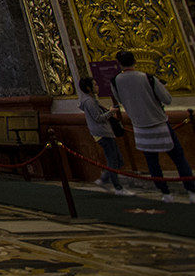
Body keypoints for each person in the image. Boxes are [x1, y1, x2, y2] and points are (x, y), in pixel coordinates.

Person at [111, 50, 195, 203]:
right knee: (178, 158)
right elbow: (167, 99)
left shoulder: (115, 81)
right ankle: (191, 191)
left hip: (139, 126)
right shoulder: (148, 78)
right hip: (159, 123)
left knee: (152, 162)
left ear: (119, 64)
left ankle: (165, 193)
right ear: (134, 61)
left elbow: (120, 101)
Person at [78, 77, 130, 195]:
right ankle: (118, 188)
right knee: (113, 161)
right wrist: (111, 112)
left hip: (105, 132)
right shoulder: (89, 102)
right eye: (94, 84)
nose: (97, 86)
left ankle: (105, 178)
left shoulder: (91, 100)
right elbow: (98, 118)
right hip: (102, 133)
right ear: (88, 88)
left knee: (117, 159)